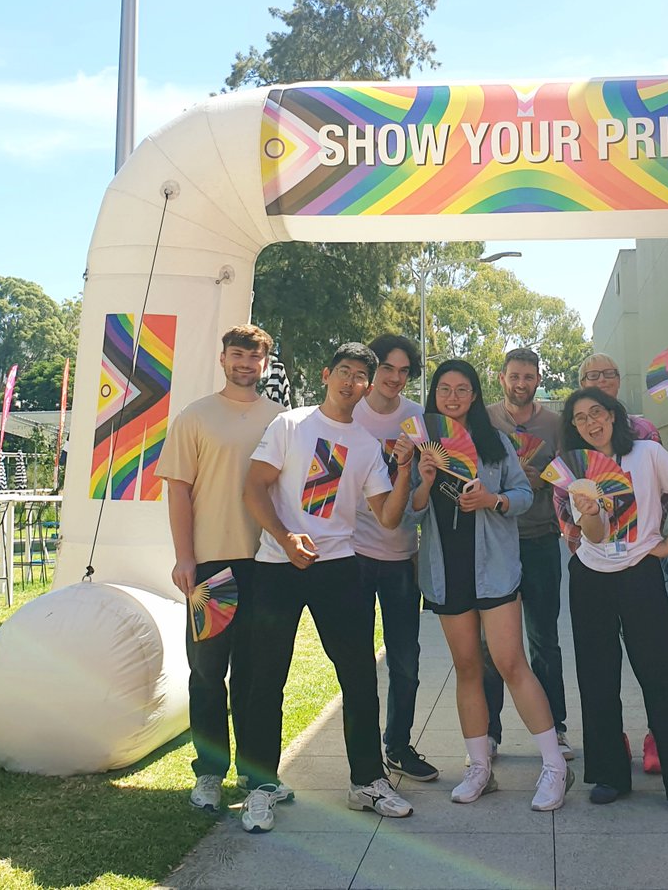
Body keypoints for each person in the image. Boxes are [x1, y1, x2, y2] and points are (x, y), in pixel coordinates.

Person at [240, 342, 415, 833]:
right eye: (344, 372)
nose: (351, 383)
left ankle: (367, 782)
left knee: (359, 677)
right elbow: (254, 487)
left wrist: (403, 470)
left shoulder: (363, 444)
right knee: (266, 677)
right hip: (277, 564)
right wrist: (284, 537)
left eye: (361, 376)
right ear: (326, 374)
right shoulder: (290, 425)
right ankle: (261, 786)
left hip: (338, 567)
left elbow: (388, 515)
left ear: (368, 384)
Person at [405, 359, 572, 812]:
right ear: (434, 395)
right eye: (444, 389)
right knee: (467, 668)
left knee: (512, 662)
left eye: (462, 389)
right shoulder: (421, 442)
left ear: (475, 395)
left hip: (493, 569)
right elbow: (408, 514)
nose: (453, 397)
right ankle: (479, 767)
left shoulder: (494, 441)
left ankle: (555, 765)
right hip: (446, 572)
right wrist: (421, 480)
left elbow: (521, 495)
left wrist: (492, 499)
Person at [560, 387, 668, 814]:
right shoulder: (579, 470)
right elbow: (592, 535)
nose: (592, 423)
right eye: (581, 418)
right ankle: (609, 774)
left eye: (598, 413)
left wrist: (667, 544)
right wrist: (590, 511)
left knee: (666, 674)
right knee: (597, 676)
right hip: (590, 576)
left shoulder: (646, 453)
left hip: (640, 574)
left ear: (613, 414)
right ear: (573, 427)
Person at [155, 324, 286, 814]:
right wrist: (184, 556)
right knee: (209, 673)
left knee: (258, 676)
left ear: (266, 364)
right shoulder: (195, 417)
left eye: (254, 358)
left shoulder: (282, 420)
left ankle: (259, 780)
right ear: (223, 358)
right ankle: (209, 773)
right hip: (212, 568)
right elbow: (178, 490)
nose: (245, 365)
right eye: (237, 355)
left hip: (267, 566)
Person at [352, 334, 439, 782]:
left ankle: (398, 745)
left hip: (402, 555)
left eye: (405, 371)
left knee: (406, 660)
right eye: (388, 367)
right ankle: (365, 757)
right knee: (357, 662)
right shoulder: (350, 413)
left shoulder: (416, 418)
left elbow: (422, 497)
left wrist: (419, 483)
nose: (395, 378)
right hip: (352, 555)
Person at [575, 352, 665, 774]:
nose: (600, 380)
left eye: (607, 375)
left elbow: (666, 490)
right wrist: (579, 523)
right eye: (590, 376)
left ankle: (659, 737)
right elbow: (566, 491)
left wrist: (658, 541)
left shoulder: (644, 435)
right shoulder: (576, 440)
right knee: (598, 665)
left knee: (654, 657)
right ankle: (611, 752)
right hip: (592, 559)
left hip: (642, 555)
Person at [483, 348, 572, 762]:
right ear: (501, 378)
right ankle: (488, 733)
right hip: (495, 542)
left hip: (540, 539)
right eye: (514, 376)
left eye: (529, 377)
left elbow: (574, 474)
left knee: (544, 639)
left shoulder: (554, 424)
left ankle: (557, 727)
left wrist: (545, 477)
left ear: (539, 379)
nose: (521, 384)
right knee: (491, 645)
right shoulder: (484, 419)